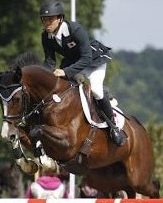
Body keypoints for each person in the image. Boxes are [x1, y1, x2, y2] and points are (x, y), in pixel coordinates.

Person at [39, 1, 126, 146]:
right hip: (73, 62)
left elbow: (86, 58)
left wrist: (65, 72)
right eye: (44, 19)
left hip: (94, 61)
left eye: (50, 19)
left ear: (60, 18)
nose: (47, 23)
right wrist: (42, 76)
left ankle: (113, 127)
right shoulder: (46, 37)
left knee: (97, 91)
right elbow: (49, 62)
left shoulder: (76, 30)